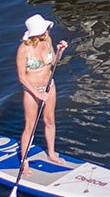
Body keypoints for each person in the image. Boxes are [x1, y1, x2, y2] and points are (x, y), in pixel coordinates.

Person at [15, 14, 72, 174]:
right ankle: (24, 162)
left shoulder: (47, 41)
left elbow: (53, 62)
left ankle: (52, 153)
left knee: (50, 121)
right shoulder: (23, 49)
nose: (46, 31)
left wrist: (60, 51)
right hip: (32, 90)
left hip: (49, 86)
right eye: (43, 30)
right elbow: (22, 78)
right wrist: (37, 94)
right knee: (30, 127)